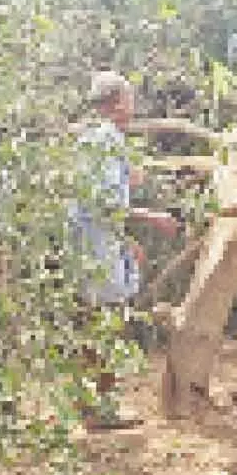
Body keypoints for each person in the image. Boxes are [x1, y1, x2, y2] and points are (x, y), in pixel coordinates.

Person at [68, 70, 179, 427]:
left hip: (89, 242)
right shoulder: (105, 140)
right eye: (130, 100)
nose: (133, 108)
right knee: (107, 321)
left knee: (91, 321)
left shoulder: (88, 139)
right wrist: (153, 218)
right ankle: (102, 408)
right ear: (117, 104)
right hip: (95, 246)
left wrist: (124, 240)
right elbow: (105, 203)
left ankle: (89, 405)